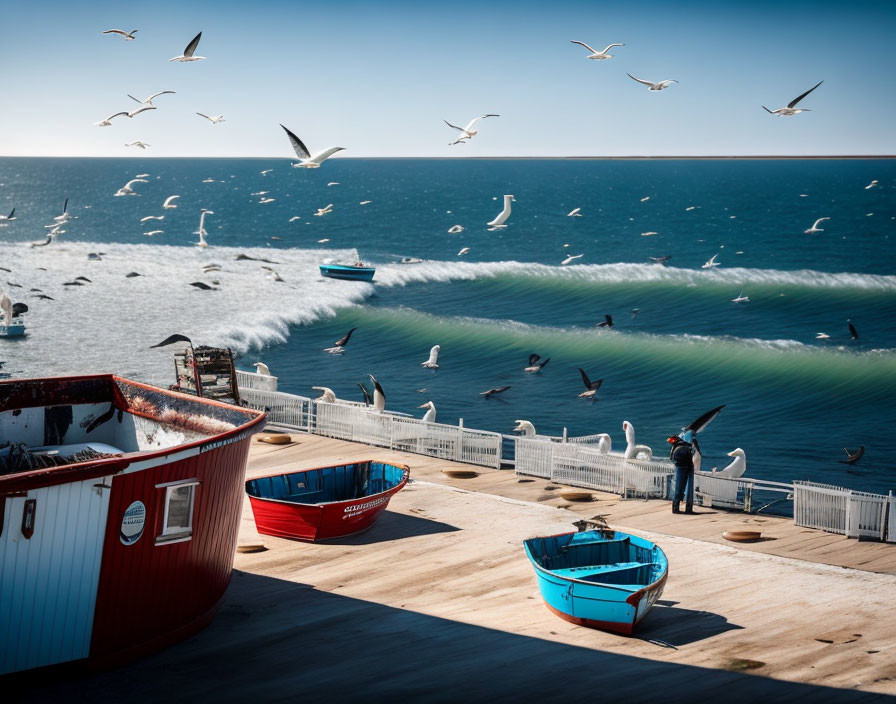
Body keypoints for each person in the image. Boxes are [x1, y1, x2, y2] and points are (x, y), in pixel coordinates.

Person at [667, 429, 700, 514]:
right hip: (688, 465)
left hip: (679, 466)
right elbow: (694, 451)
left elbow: (672, 458)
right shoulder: (689, 441)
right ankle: (688, 508)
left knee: (678, 487)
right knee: (689, 488)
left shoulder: (676, 444)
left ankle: (675, 508)